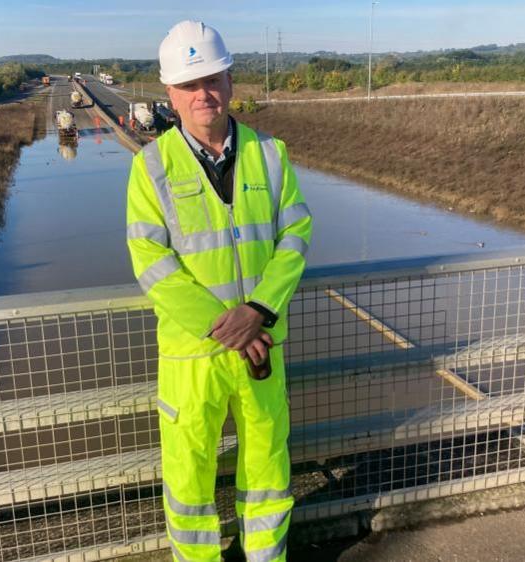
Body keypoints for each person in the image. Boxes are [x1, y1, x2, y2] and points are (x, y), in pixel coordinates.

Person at [125, 19, 312, 562]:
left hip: (261, 346)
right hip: (193, 355)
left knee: (268, 469)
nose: (202, 93)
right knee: (188, 478)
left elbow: (296, 235)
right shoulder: (150, 167)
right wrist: (223, 323)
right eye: (189, 84)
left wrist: (259, 309)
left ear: (231, 81)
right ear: (170, 95)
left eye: (212, 79)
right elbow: (151, 261)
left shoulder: (271, 155)